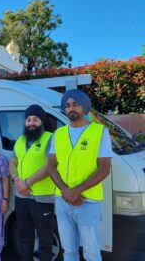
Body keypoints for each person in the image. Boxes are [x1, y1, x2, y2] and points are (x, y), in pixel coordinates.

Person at [47, 89, 112, 261]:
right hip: (62, 200)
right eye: (67, 106)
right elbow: (51, 165)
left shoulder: (99, 132)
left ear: (84, 106)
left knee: (91, 253)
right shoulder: (58, 134)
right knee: (68, 251)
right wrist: (65, 191)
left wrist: (76, 191)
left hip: (88, 201)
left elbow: (104, 168)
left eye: (75, 104)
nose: (71, 108)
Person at [8, 105, 55, 261]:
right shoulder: (21, 140)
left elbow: (50, 166)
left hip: (42, 197)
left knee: (45, 239)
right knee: (24, 236)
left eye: (35, 119)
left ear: (42, 121)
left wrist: (26, 183)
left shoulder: (50, 138)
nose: (31, 123)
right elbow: (12, 162)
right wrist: (16, 179)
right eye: (28, 120)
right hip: (21, 197)